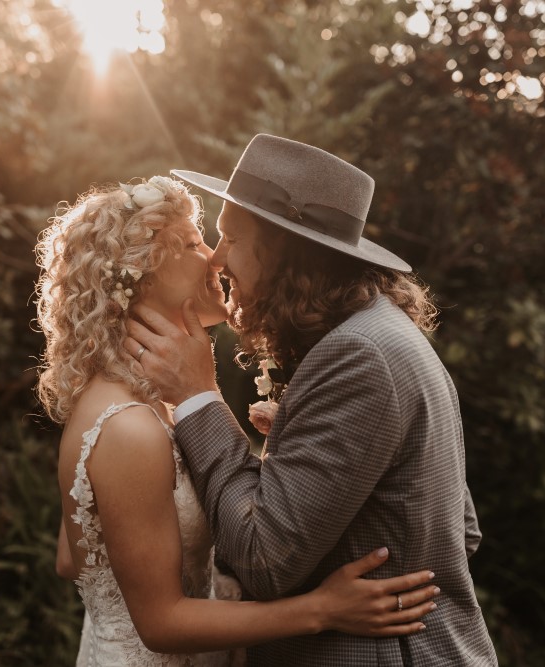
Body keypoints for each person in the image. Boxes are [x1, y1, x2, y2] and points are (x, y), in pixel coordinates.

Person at [34, 175, 441, 666]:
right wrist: (320, 609)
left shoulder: (147, 402)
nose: (213, 257)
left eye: (220, 239)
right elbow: (159, 620)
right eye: (192, 242)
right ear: (142, 274)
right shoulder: (129, 425)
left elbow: (75, 554)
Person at [125, 134, 499, 665]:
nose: (218, 257)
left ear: (284, 251)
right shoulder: (379, 333)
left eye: (232, 238)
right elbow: (459, 531)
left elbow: (263, 558)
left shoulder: (357, 357)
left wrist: (197, 396)